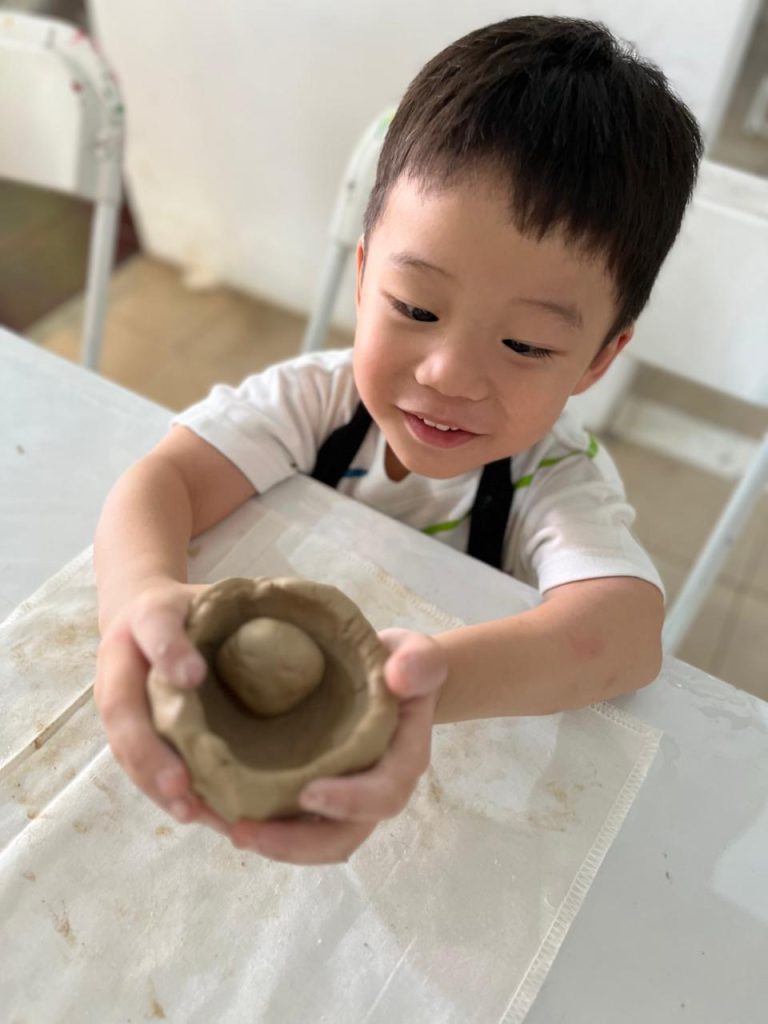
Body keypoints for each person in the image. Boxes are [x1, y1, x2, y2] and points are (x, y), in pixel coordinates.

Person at [94, 15, 702, 864]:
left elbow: (623, 638)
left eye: (526, 345)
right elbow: (165, 482)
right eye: (416, 307)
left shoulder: (553, 478)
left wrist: (418, 689)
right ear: (362, 272)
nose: (449, 374)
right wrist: (137, 599)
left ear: (599, 360)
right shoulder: (315, 400)